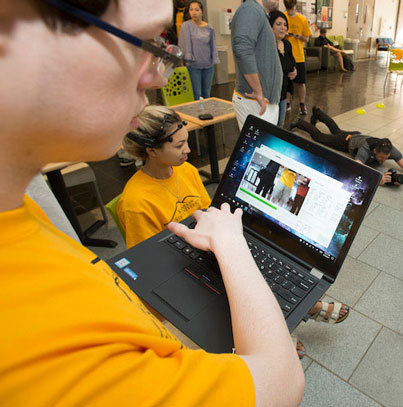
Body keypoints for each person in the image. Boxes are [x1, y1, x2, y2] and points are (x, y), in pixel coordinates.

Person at [0, 0, 305, 405]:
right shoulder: (56, 356)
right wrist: (232, 246)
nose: (156, 75)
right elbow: (281, 384)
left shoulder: (22, 215)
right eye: (143, 42)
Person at [117, 106, 211, 248]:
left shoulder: (187, 170)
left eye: (186, 141)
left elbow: (206, 211)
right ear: (152, 151)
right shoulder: (136, 203)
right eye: (179, 146)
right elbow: (148, 253)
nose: (188, 150)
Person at [291, 107, 403, 185]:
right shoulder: (365, 150)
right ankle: (299, 123)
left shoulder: (389, 149)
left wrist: (402, 177)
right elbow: (357, 169)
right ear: (375, 151)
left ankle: (318, 112)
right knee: (320, 137)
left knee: (336, 130)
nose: (384, 160)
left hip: (356, 136)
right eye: (381, 157)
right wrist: (378, 181)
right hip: (346, 142)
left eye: (386, 157)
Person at [231, 0, 283, 129]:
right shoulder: (250, 9)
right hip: (256, 102)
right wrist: (258, 91)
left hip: (260, 103)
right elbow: (242, 49)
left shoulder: (258, 13)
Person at [178, 1, 220, 100]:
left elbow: (213, 45)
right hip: (193, 65)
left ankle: (206, 114)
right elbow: (183, 44)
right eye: (191, 10)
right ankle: (196, 115)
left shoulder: (209, 27)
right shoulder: (186, 26)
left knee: (206, 94)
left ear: (202, 12)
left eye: (197, 10)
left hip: (208, 65)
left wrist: (214, 59)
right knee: (196, 94)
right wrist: (183, 60)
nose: (194, 12)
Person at [269, 10, 297, 127]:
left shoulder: (287, 44)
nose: (283, 28)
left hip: (283, 92)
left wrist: (294, 71)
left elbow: (292, 62)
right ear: (270, 26)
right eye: (278, 24)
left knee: (280, 125)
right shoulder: (267, 46)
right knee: (270, 124)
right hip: (270, 95)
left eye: (285, 25)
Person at [284, 0, 312, 115]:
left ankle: (302, 104)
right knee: (286, 82)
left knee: (301, 82)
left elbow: (307, 39)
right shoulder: (282, 17)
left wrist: (300, 37)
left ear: (295, 5)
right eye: (288, 9)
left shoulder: (302, 19)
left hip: (299, 56)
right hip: (285, 54)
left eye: (292, 8)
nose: (290, 12)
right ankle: (287, 102)